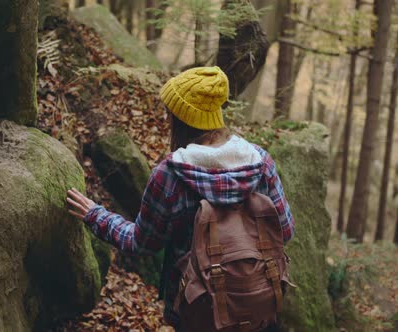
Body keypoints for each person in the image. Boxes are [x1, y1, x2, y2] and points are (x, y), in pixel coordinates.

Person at [66, 66, 295, 330]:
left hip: (198, 312)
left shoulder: (171, 174)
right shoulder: (260, 161)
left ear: (181, 119)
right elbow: (284, 232)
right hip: (258, 310)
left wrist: (95, 215)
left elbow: (142, 243)